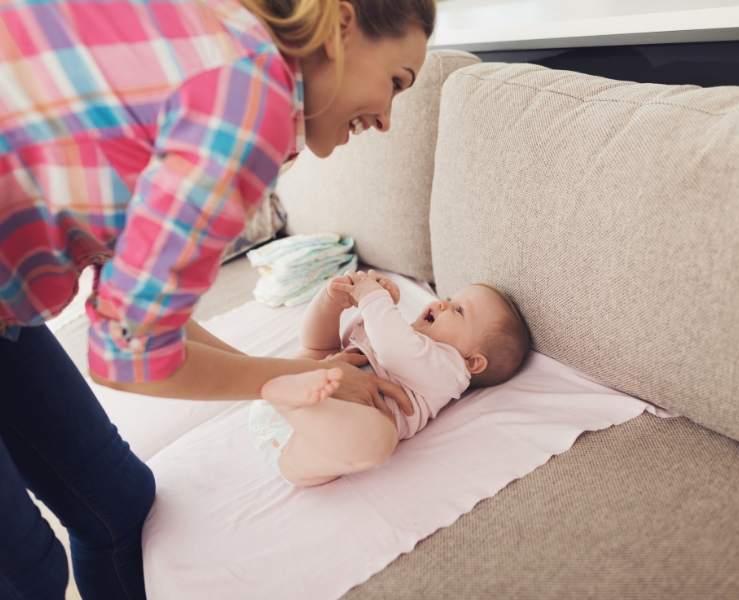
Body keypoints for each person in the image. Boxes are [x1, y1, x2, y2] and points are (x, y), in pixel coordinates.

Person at [0, 1, 433, 597]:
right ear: (343, 22)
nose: (386, 119)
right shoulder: (247, 97)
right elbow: (130, 359)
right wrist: (277, 378)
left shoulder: (212, 42)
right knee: (27, 570)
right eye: (396, 82)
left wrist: (287, 374)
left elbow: (134, 308)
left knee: (117, 507)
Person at [251, 269, 531, 486]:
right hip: (311, 379)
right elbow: (336, 344)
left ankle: (292, 403)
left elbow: (395, 347)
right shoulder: (407, 336)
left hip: (304, 440)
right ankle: (292, 390)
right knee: (318, 349)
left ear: (472, 361)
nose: (441, 304)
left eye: (458, 310)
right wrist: (335, 302)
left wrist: (374, 298)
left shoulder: (450, 372)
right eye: (448, 299)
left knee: (365, 440)